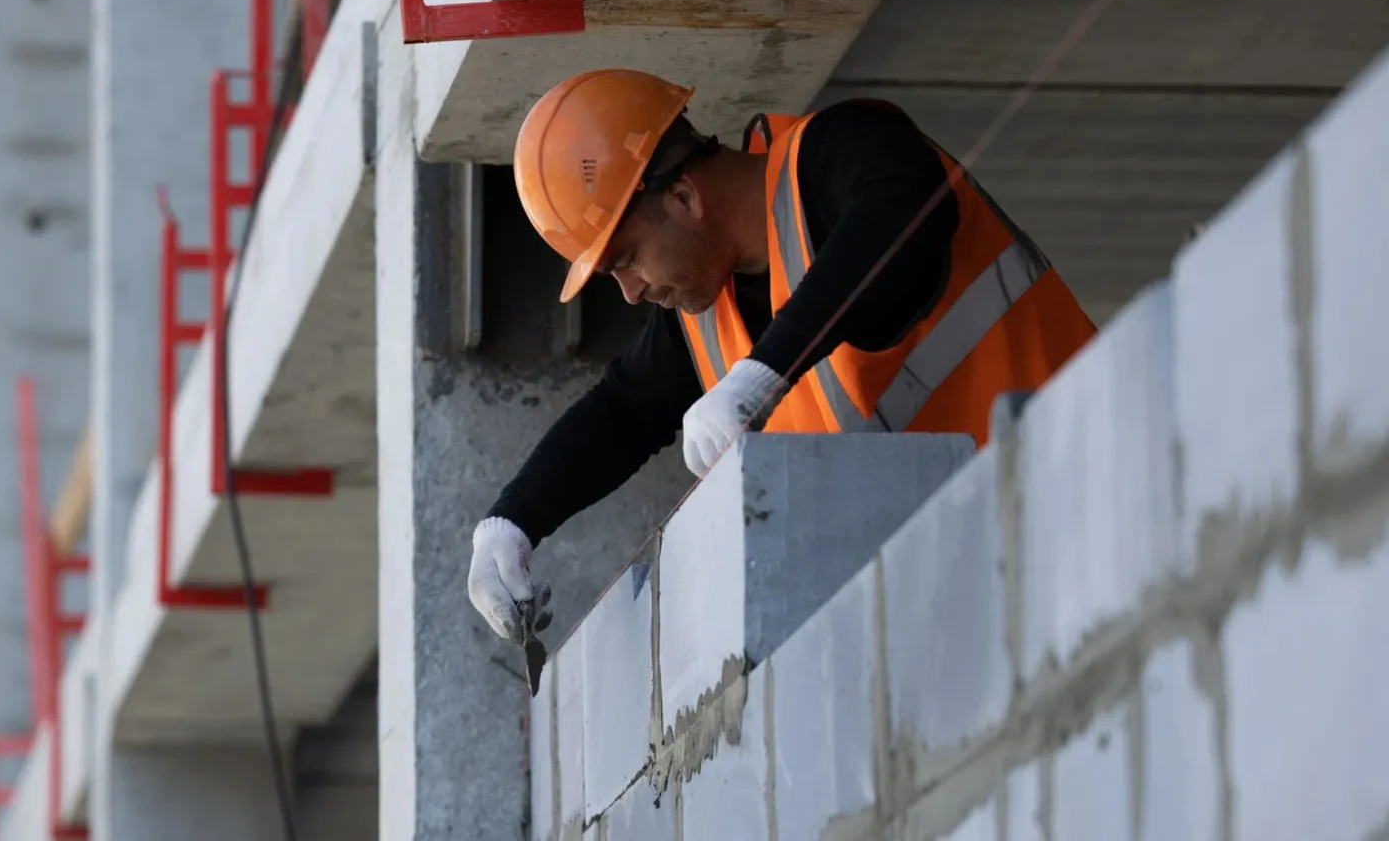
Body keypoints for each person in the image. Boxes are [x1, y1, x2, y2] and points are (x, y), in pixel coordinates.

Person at [466, 68, 1096, 643]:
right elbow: (622, 410)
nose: (631, 292)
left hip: (1089, 491)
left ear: (684, 198)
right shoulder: (709, 316)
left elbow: (896, 222)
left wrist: (761, 376)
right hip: (986, 593)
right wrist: (511, 523)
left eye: (627, 258)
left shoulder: (844, 156)